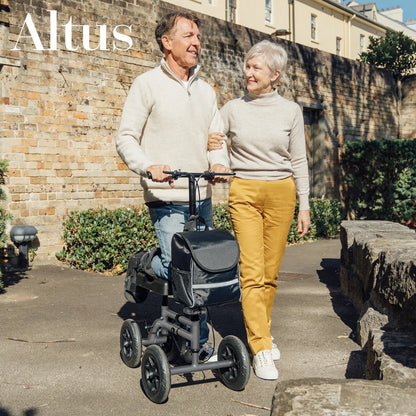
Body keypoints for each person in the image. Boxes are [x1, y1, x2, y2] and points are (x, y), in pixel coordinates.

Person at [116, 11, 229, 360]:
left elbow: (215, 138)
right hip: (166, 197)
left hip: (201, 196)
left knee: (203, 271)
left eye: (198, 36)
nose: (196, 42)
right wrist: (148, 166)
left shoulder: (207, 90)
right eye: (188, 35)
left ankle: (198, 341)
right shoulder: (146, 84)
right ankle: (147, 264)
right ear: (167, 42)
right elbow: (125, 138)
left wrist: (220, 162)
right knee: (181, 266)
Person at [208, 40, 310, 380]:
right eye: (247, 67)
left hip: (282, 193)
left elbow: (299, 161)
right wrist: (219, 160)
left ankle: (261, 330)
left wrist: (305, 205)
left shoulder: (291, 111)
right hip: (245, 192)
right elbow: (214, 138)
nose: (248, 73)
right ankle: (261, 349)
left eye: (256, 68)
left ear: (275, 75)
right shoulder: (232, 108)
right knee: (251, 272)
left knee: (270, 274)